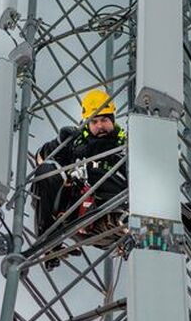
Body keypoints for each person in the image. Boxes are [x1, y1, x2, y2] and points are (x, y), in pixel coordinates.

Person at [31, 89, 128, 243]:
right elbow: (40, 160)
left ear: (113, 120)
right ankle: (47, 238)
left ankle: (125, 224)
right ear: (87, 123)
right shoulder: (76, 145)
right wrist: (58, 144)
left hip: (113, 209)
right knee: (47, 171)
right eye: (94, 122)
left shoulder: (124, 147)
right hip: (77, 211)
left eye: (104, 120)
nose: (100, 126)